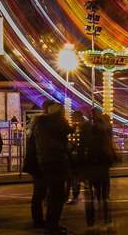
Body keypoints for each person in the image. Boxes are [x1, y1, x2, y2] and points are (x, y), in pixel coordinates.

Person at [33, 99, 73, 234]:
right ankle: (52, 225)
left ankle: (49, 222)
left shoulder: (41, 123)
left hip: (45, 161)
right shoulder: (54, 123)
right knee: (57, 195)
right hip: (55, 162)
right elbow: (68, 130)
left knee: (50, 195)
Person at [82, 110, 117, 231]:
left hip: (90, 167)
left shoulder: (86, 129)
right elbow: (109, 149)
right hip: (103, 166)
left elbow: (81, 149)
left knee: (90, 197)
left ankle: (91, 224)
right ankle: (107, 221)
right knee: (105, 195)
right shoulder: (105, 131)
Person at [67, 110, 89, 204]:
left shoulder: (82, 127)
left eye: (73, 117)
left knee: (75, 177)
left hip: (79, 156)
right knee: (78, 177)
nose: (72, 119)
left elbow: (80, 142)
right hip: (80, 155)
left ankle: (75, 196)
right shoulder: (82, 126)